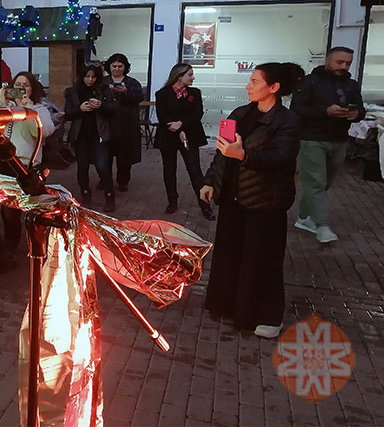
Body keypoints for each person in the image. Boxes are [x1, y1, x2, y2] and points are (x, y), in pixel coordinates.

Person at [200, 63, 302, 338]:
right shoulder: (240, 114)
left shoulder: (287, 121)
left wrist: (244, 156)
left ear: (274, 87)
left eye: (255, 81)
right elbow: (222, 152)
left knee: (262, 258)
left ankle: (266, 316)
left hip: (265, 201)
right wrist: (210, 180)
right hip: (233, 196)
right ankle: (227, 305)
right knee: (229, 253)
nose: (248, 86)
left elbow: (281, 160)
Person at [0, 72, 54, 278]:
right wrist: (0, 105)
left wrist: (25, 109)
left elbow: (44, 132)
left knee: (10, 213)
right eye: (16, 85)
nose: (20, 89)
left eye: (25, 85)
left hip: (18, 165)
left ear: (32, 88)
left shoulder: (38, 110)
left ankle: (8, 251)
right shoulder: (1, 107)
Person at [290, 47, 365, 243]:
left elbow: (361, 108)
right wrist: (326, 112)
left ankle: (304, 217)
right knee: (316, 182)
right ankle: (322, 225)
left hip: (339, 140)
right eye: (339, 62)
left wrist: (356, 114)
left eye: (348, 63)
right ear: (327, 60)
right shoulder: (309, 82)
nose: (344, 66)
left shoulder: (351, 85)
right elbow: (296, 109)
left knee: (323, 184)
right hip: (311, 139)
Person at [154, 63, 215, 220]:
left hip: (191, 136)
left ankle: (205, 205)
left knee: (194, 170)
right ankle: (172, 201)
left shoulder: (194, 93)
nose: (193, 78)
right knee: (169, 169)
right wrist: (178, 130)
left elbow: (197, 114)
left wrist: (181, 124)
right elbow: (163, 117)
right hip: (168, 136)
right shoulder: (162, 94)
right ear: (179, 77)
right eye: (190, 75)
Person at [64, 62, 116, 211]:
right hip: (81, 135)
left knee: (102, 166)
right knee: (82, 166)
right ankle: (86, 194)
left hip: (99, 134)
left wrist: (101, 106)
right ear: (82, 77)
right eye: (87, 76)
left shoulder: (104, 90)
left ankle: (109, 196)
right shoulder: (72, 92)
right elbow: (68, 114)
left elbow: (113, 110)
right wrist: (80, 109)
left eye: (93, 76)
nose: (90, 79)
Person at [104, 53, 143, 192]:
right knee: (105, 156)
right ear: (109, 66)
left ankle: (123, 181)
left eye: (120, 66)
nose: (117, 69)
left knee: (124, 157)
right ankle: (105, 180)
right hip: (107, 125)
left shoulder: (132, 83)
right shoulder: (103, 82)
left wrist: (126, 93)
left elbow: (139, 98)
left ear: (125, 67)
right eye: (114, 66)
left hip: (127, 126)